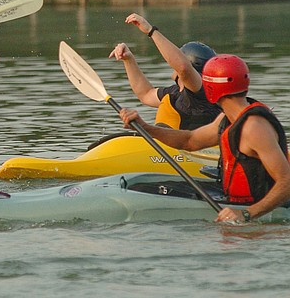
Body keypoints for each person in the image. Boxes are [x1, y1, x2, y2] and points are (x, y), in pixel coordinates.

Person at [119, 54, 290, 222]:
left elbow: (287, 181)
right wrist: (146, 127)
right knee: (144, 187)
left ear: (210, 89)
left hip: (258, 209)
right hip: (235, 199)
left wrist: (246, 214)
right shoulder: (227, 119)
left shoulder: (254, 127)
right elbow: (190, 141)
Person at [109, 13, 220, 130]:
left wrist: (151, 31)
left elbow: (183, 67)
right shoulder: (175, 93)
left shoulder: (203, 94)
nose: (171, 63)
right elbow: (145, 94)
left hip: (192, 147)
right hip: (170, 144)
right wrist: (128, 59)